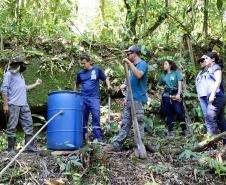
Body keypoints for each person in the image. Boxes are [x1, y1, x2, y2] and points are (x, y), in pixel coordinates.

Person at [111, 45, 154, 152]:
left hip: (138, 99)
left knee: (138, 124)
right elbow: (126, 85)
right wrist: (123, 95)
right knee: (125, 123)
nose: (127, 55)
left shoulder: (142, 64)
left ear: (134, 54)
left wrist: (129, 64)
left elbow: (139, 75)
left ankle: (140, 145)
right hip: (129, 100)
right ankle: (117, 144)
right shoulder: (130, 70)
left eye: (129, 53)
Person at [1, 56, 43, 156]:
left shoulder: (20, 75)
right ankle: (10, 150)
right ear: (18, 64)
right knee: (11, 127)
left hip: (24, 104)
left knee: (28, 125)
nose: (25, 66)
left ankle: (29, 147)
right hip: (13, 105)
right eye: (23, 64)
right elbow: (3, 90)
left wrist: (36, 84)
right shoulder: (8, 74)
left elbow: (24, 88)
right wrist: (5, 104)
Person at [74, 54, 111, 144]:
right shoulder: (80, 73)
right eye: (81, 64)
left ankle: (98, 138)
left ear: (89, 62)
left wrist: (109, 86)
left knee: (96, 117)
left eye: (84, 63)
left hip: (94, 98)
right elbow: (76, 84)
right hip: (83, 98)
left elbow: (105, 78)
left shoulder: (96, 70)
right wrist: (75, 94)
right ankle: (84, 139)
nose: (82, 65)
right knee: (83, 118)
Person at [158, 60, 187, 137]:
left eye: (166, 64)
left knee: (179, 111)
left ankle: (184, 129)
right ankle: (171, 131)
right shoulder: (163, 76)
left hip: (176, 95)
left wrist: (178, 93)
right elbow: (159, 85)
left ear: (170, 65)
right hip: (166, 96)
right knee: (169, 113)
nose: (164, 65)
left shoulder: (176, 73)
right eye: (164, 64)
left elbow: (179, 82)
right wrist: (164, 88)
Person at [204, 52, 226, 139]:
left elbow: (218, 80)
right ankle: (224, 142)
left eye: (207, 58)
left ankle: (212, 144)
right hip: (217, 97)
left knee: (209, 119)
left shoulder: (216, 67)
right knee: (220, 120)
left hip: (216, 97)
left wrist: (212, 94)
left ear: (213, 59)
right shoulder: (209, 69)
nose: (205, 60)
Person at [195, 55, 208, 126]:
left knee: (213, 115)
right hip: (201, 96)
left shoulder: (211, 70)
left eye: (202, 60)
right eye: (200, 61)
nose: (201, 62)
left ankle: (220, 132)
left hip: (209, 96)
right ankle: (211, 134)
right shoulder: (199, 73)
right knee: (206, 115)